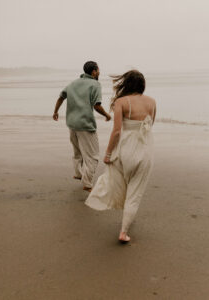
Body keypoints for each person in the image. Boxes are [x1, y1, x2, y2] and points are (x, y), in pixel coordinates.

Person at [85, 70, 156, 243]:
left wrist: (108, 154)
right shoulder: (152, 102)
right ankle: (123, 231)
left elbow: (117, 131)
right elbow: (150, 124)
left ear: (126, 84)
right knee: (135, 192)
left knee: (117, 181)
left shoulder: (121, 102)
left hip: (126, 150)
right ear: (142, 85)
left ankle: (115, 207)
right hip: (145, 150)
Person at [53, 61, 111, 192]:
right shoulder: (95, 84)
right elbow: (97, 105)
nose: (99, 72)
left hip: (72, 124)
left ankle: (78, 173)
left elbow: (61, 97)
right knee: (93, 155)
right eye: (98, 70)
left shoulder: (73, 83)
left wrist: (55, 111)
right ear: (94, 72)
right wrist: (107, 115)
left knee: (77, 151)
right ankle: (87, 183)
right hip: (85, 124)